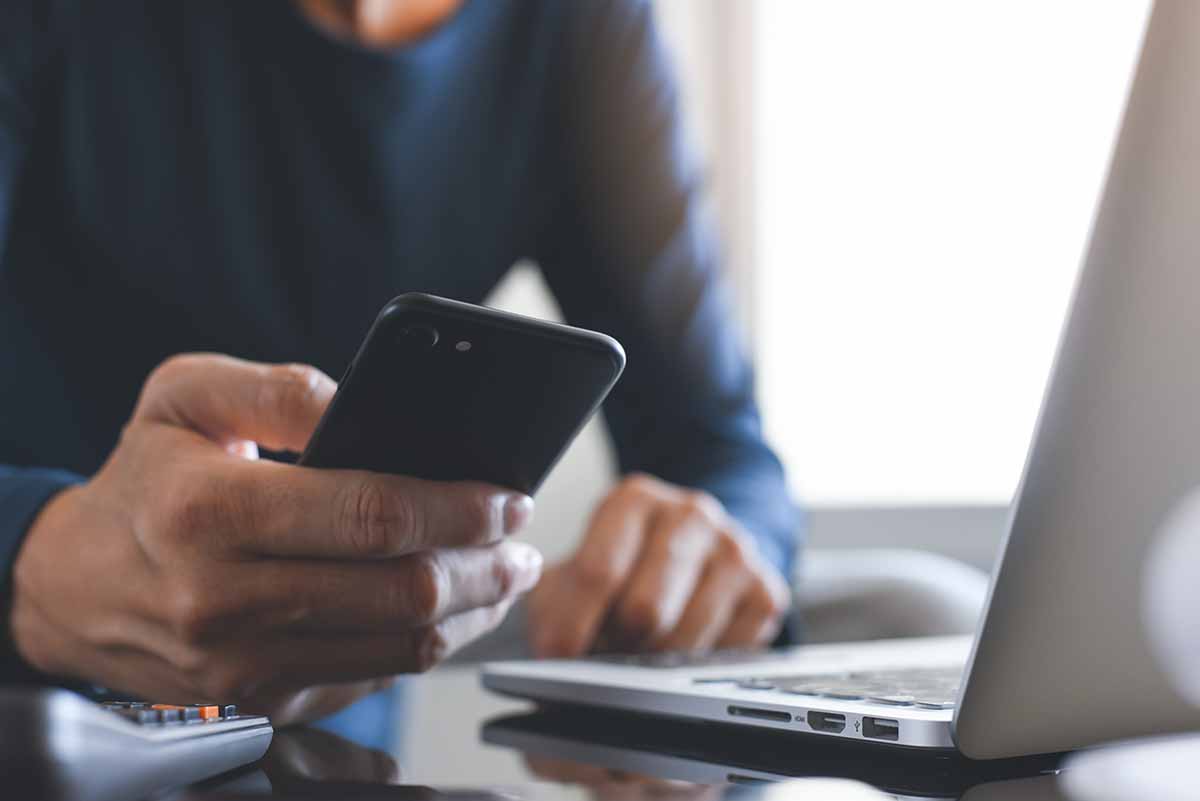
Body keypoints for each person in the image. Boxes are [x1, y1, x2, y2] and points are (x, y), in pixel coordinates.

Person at [0, 0, 799, 743]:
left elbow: (721, 448)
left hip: (336, 760)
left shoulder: (578, 23)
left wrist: (714, 550)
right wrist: (32, 564)